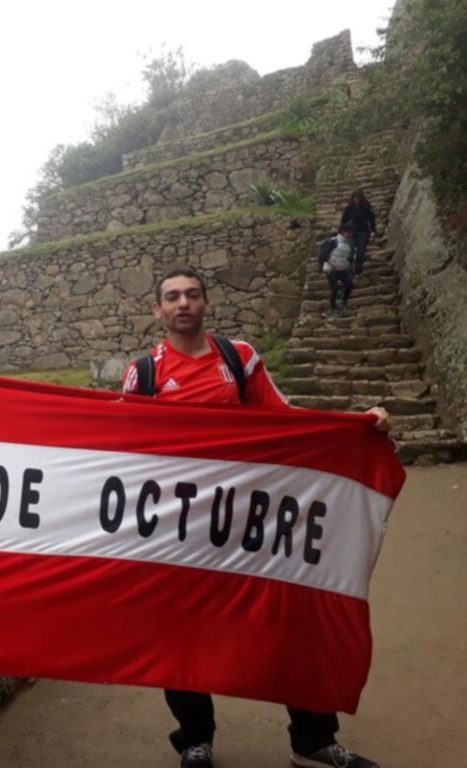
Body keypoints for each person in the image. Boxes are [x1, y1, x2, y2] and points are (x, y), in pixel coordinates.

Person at [122, 268, 391, 768]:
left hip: (252, 524)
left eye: (192, 294)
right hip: (178, 531)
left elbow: (287, 417)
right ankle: (196, 739)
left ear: (206, 303)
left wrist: (354, 426)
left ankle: (312, 740)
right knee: (181, 635)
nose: (183, 303)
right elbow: (121, 448)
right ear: (157, 310)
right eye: (171, 297)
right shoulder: (145, 374)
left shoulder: (238, 358)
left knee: (293, 619)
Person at [319, 222, 356, 317]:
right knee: (334, 289)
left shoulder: (349, 243)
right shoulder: (333, 241)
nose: (350, 235)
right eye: (348, 233)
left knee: (349, 285)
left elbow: (349, 257)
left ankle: (343, 301)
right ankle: (333, 308)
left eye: (351, 233)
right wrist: (330, 263)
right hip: (332, 269)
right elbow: (323, 254)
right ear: (343, 232)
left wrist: (350, 267)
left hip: (343, 268)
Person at [340, 190, 377, 277]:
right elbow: (343, 221)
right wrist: (343, 231)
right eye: (355, 198)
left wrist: (373, 231)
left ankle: (358, 269)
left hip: (363, 232)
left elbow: (372, 220)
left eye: (358, 198)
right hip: (351, 233)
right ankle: (349, 271)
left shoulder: (367, 206)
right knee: (350, 252)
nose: (356, 200)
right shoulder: (349, 208)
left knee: (361, 252)